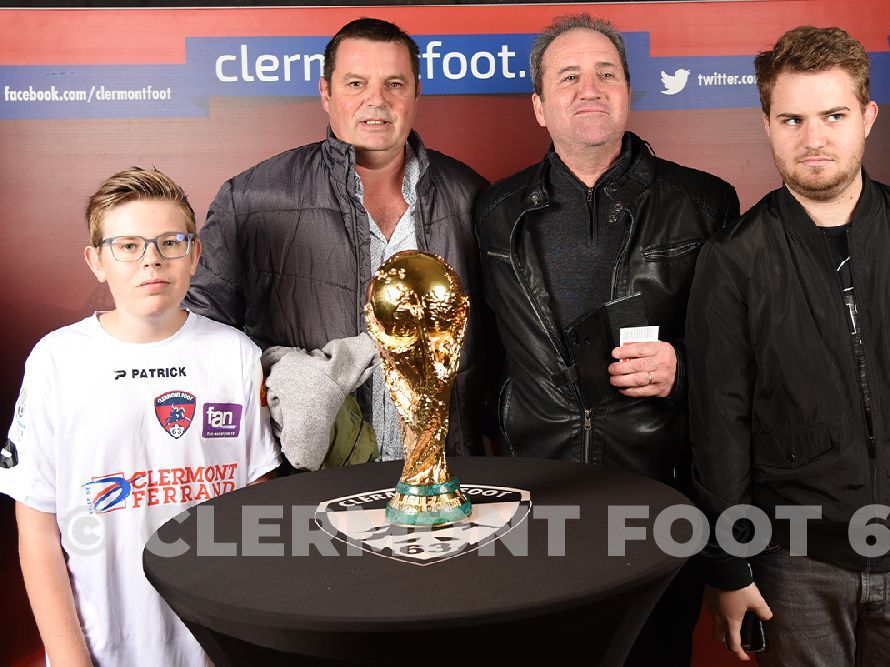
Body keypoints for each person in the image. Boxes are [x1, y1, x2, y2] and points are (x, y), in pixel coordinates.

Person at [687, 25, 890, 665]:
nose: (814, 138)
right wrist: (728, 567)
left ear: (868, 117)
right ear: (767, 124)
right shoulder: (732, 260)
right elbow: (719, 425)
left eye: (834, 115)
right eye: (792, 118)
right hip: (795, 565)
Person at [475, 14, 739, 665]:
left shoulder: (705, 203)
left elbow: (750, 356)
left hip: (659, 501)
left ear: (628, 92)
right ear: (539, 105)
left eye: (605, 74)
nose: (588, 89)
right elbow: (481, 358)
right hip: (534, 509)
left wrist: (686, 364)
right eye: (568, 77)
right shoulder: (494, 211)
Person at [0, 168, 281, 666]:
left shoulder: (233, 353)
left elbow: (255, 501)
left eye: (170, 241)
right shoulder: (57, 360)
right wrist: (68, 656)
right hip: (103, 646)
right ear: (96, 261)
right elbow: (36, 521)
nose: (151, 259)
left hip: (218, 643)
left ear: (195, 254)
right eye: (127, 245)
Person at [185, 18, 487, 467]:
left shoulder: (472, 196)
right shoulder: (251, 199)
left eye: (394, 84)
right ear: (326, 92)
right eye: (356, 83)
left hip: (445, 472)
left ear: (415, 93)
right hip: (312, 478)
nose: (376, 101)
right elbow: (201, 340)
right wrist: (285, 375)